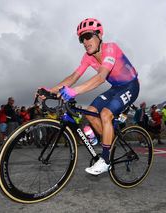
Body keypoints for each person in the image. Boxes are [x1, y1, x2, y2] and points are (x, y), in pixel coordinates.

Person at [41, 18, 139, 175]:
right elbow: (74, 76)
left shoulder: (110, 48)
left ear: (99, 35)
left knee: (105, 113)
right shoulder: (87, 57)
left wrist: (74, 91)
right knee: (91, 112)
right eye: (81, 39)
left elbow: (101, 77)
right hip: (115, 88)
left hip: (131, 86)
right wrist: (50, 91)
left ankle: (106, 160)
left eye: (88, 36)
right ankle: (110, 144)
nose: (85, 42)